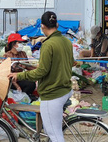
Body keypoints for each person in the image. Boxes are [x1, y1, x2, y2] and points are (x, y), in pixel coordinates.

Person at [9, 11, 75, 142]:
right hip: (66, 89)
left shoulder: (48, 44)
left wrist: (19, 75)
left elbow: (41, 73)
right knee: (53, 131)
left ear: (43, 27)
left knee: (55, 136)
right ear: (56, 24)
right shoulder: (67, 42)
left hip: (53, 94)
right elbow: (72, 62)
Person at [3, 33, 36, 97]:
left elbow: (28, 66)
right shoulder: (7, 56)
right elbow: (6, 73)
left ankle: (24, 97)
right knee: (29, 84)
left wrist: (39, 69)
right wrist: (16, 85)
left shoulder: (23, 54)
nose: (21, 44)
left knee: (31, 84)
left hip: (20, 78)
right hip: (11, 81)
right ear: (14, 44)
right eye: (20, 42)